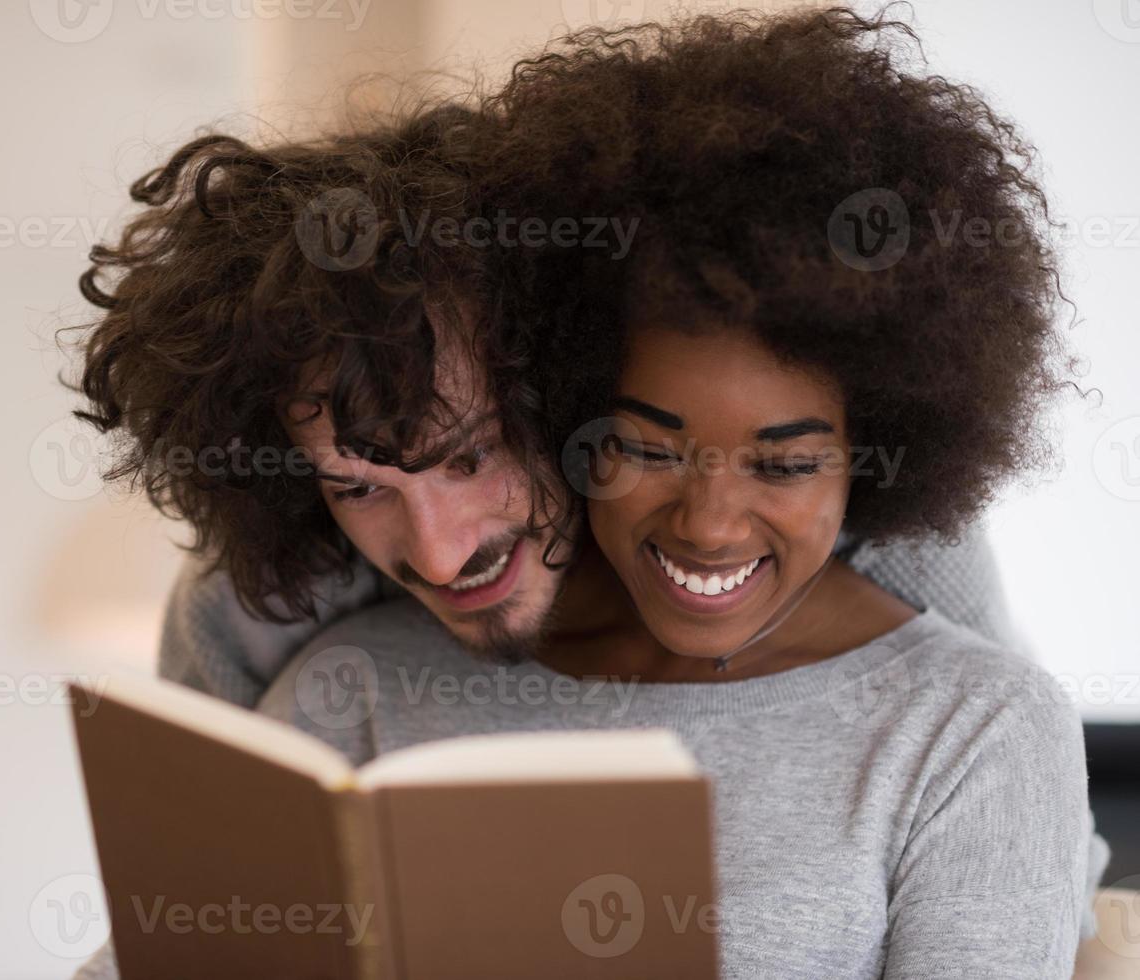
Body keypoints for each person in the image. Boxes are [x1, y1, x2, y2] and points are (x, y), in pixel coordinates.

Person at [67, 8, 1104, 976]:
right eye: (358, 483)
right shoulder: (327, 665)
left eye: (469, 453)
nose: (435, 551)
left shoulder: (956, 687)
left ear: (552, 385)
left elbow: (1016, 792)